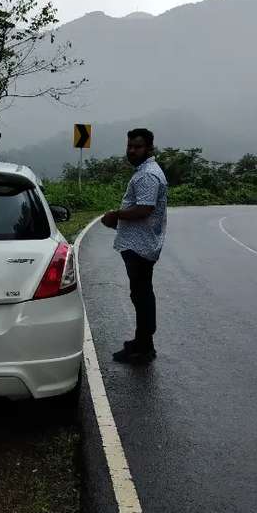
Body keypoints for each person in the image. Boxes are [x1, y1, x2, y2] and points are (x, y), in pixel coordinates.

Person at [101, 128, 168, 364]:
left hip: (140, 246)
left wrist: (114, 215)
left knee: (141, 295)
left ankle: (144, 348)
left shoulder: (148, 174)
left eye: (137, 146)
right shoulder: (145, 171)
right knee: (140, 294)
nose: (131, 150)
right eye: (129, 146)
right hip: (140, 243)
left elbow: (144, 208)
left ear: (149, 148)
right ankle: (142, 342)